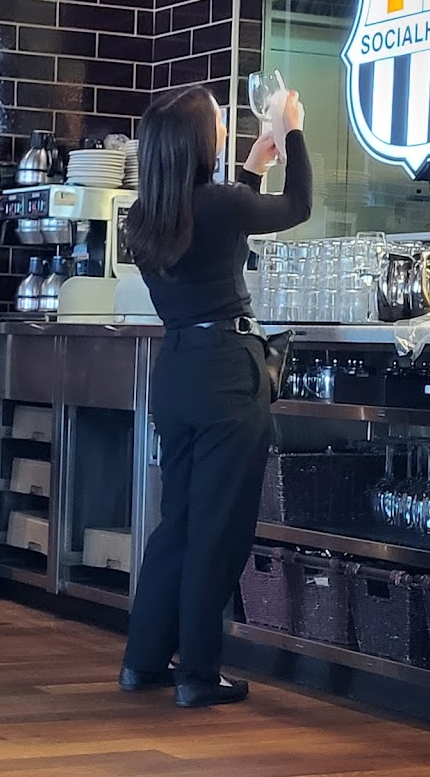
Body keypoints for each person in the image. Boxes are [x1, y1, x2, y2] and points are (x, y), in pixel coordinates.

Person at [119, 84, 312, 708]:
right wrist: (291, 130)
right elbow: (299, 205)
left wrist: (253, 166)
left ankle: (144, 660)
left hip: (176, 370)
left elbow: (217, 232)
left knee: (178, 521)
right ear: (200, 142)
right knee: (218, 528)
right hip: (228, 372)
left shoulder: (144, 217)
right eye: (219, 119)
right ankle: (198, 674)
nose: (225, 124)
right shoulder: (220, 205)